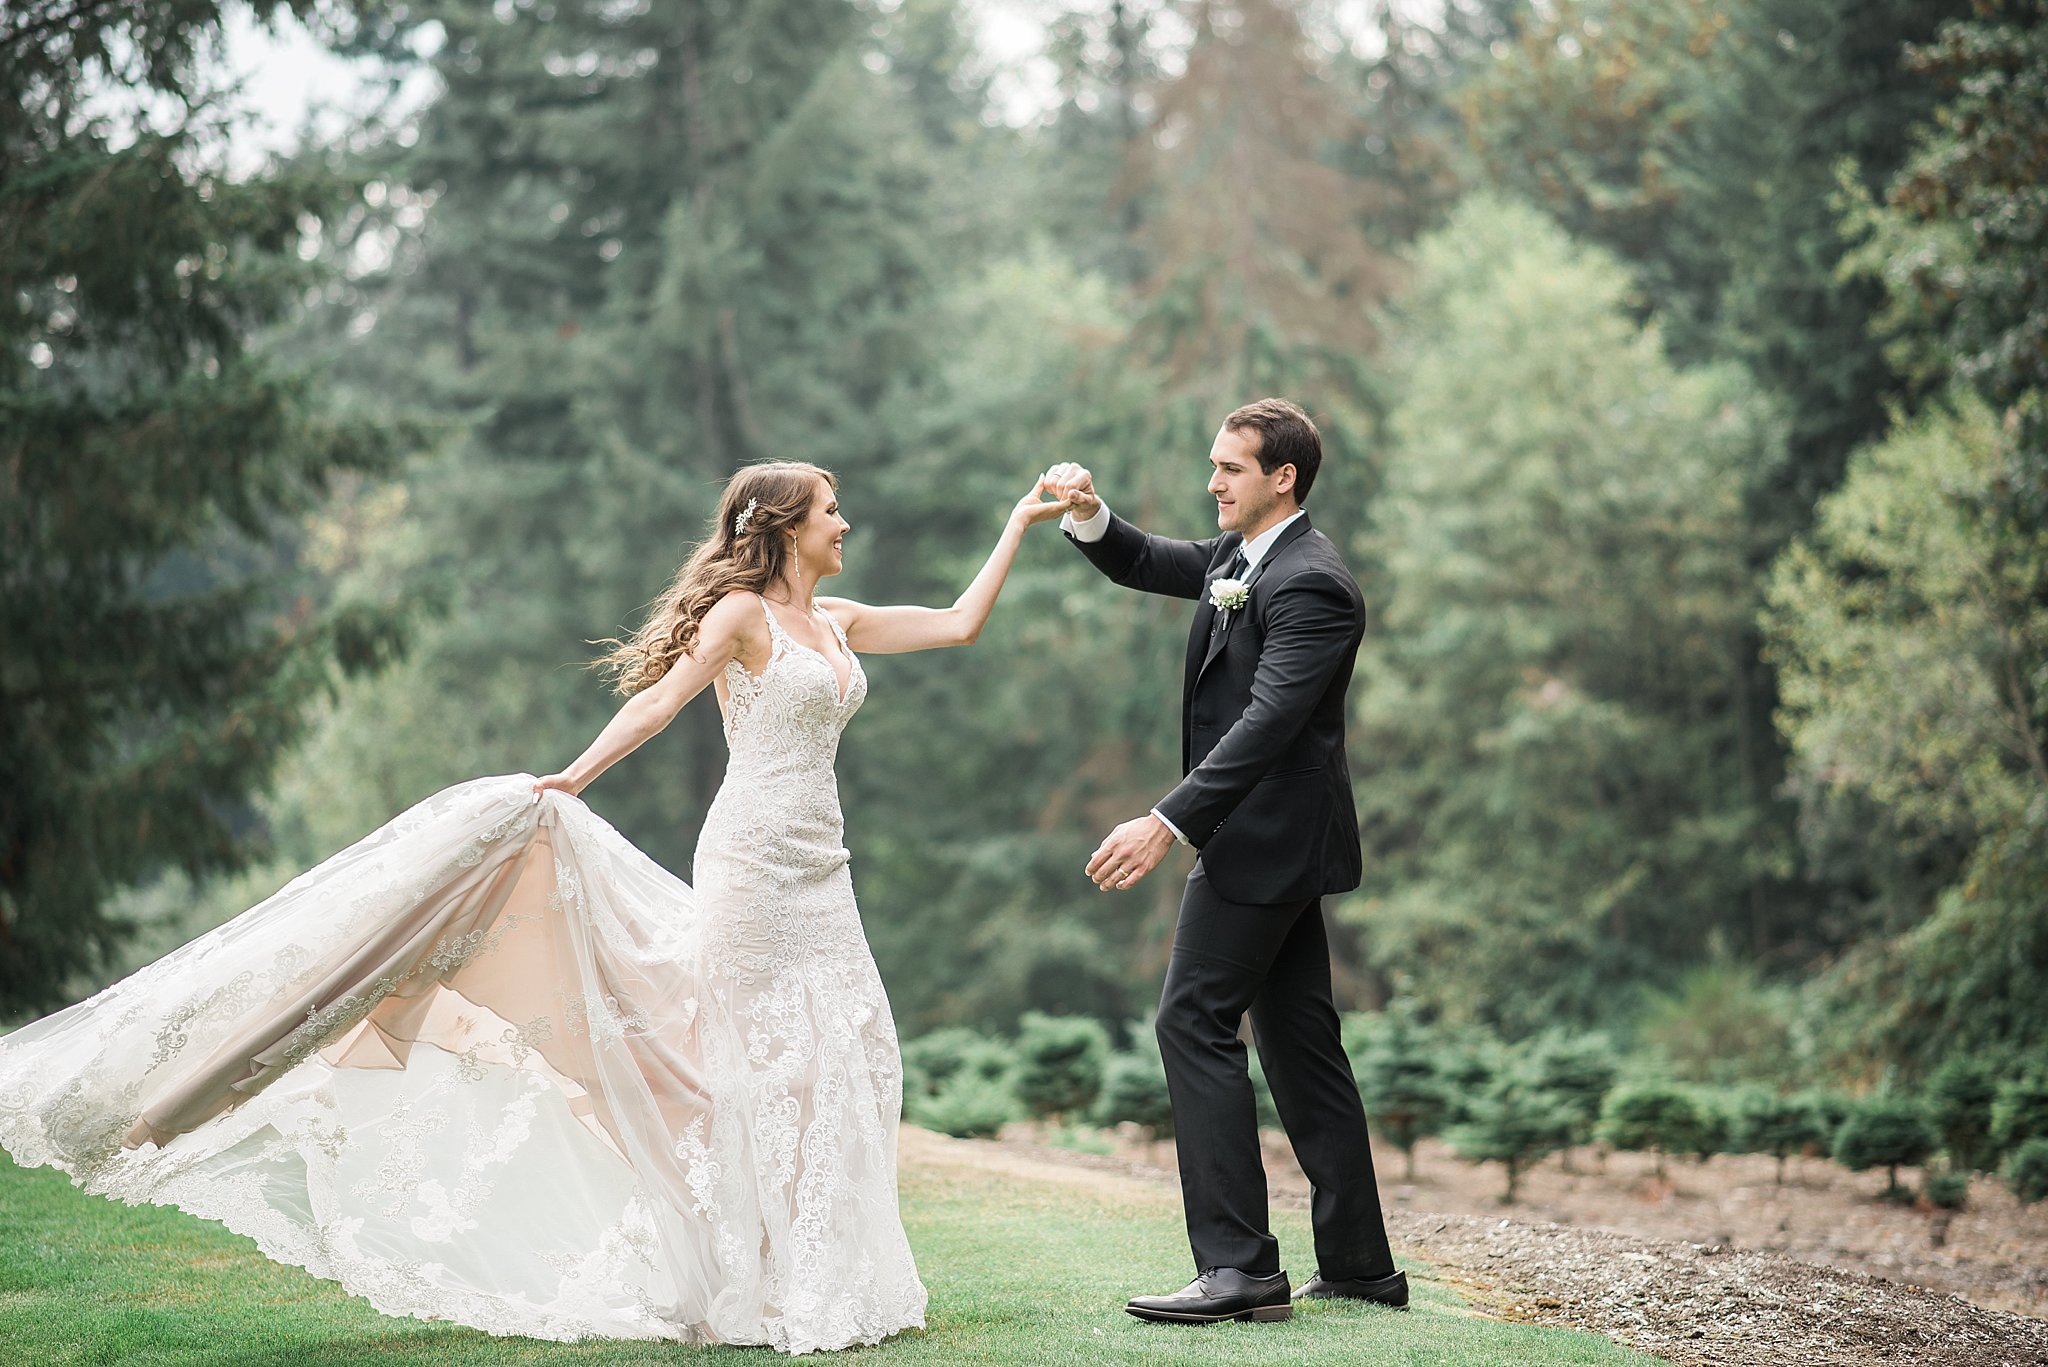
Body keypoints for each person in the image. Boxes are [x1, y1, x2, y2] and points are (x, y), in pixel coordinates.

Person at [0, 460, 1070, 1354]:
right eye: (831, 509)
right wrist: (571, 777)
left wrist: (1019, 522)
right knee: (755, 1060)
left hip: (820, 868)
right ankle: (763, 1283)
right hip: (747, 858)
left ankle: (823, 1272)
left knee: (850, 1047)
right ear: (785, 525)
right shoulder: (743, 615)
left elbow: (960, 623)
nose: (846, 522)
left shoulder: (833, 620)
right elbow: (658, 699)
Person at [1044, 398, 1404, 1325]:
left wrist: (1166, 820)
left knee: (1191, 1021)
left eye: (1229, 469)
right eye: (1213, 465)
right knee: (1299, 1046)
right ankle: (1362, 1265)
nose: (1212, 482)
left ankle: (1239, 1269)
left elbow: (1268, 724)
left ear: (1282, 477)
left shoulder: (1313, 583)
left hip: (1266, 844)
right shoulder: (1238, 561)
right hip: (1267, 842)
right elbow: (1138, 558)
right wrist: (1088, 509)